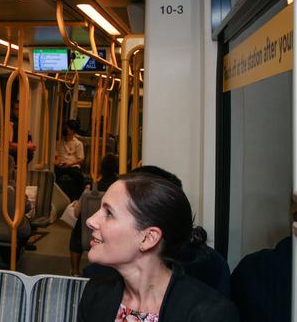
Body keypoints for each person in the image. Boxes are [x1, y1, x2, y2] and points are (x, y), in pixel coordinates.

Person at [78, 172, 238, 322]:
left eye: (109, 213)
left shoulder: (210, 314)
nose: (90, 220)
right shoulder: (95, 294)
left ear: (148, 238)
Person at [69, 154, 118, 276]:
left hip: (86, 228)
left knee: (75, 237)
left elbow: (77, 212)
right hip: (110, 226)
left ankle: (75, 271)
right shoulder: (118, 188)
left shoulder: (92, 188)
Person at [54, 120, 85, 199]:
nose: (65, 129)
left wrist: (70, 164)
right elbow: (56, 156)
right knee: (53, 174)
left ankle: (78, 198)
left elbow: (81, 159)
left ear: (72, 131)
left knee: (79, 176)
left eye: (67, 128)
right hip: (61, 165)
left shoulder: (78, 143)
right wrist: (56, 163)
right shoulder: (59, 142)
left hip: (72, 166)